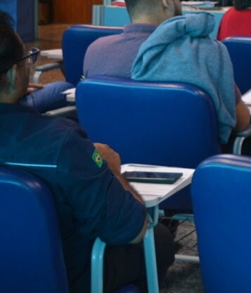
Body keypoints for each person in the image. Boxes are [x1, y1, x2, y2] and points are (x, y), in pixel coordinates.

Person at [0, 15, 175, 293]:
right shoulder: (62, 142)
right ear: (11, 75)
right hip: (69, 276)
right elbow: (132, 229)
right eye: (26, 61)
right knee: (160, 239)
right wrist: (112, 167)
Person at [83, 0, 250, 144]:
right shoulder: (202, 52)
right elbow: (239, 121)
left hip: (114, 163)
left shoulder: (95, 51)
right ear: (167, 1)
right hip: (191, 166)